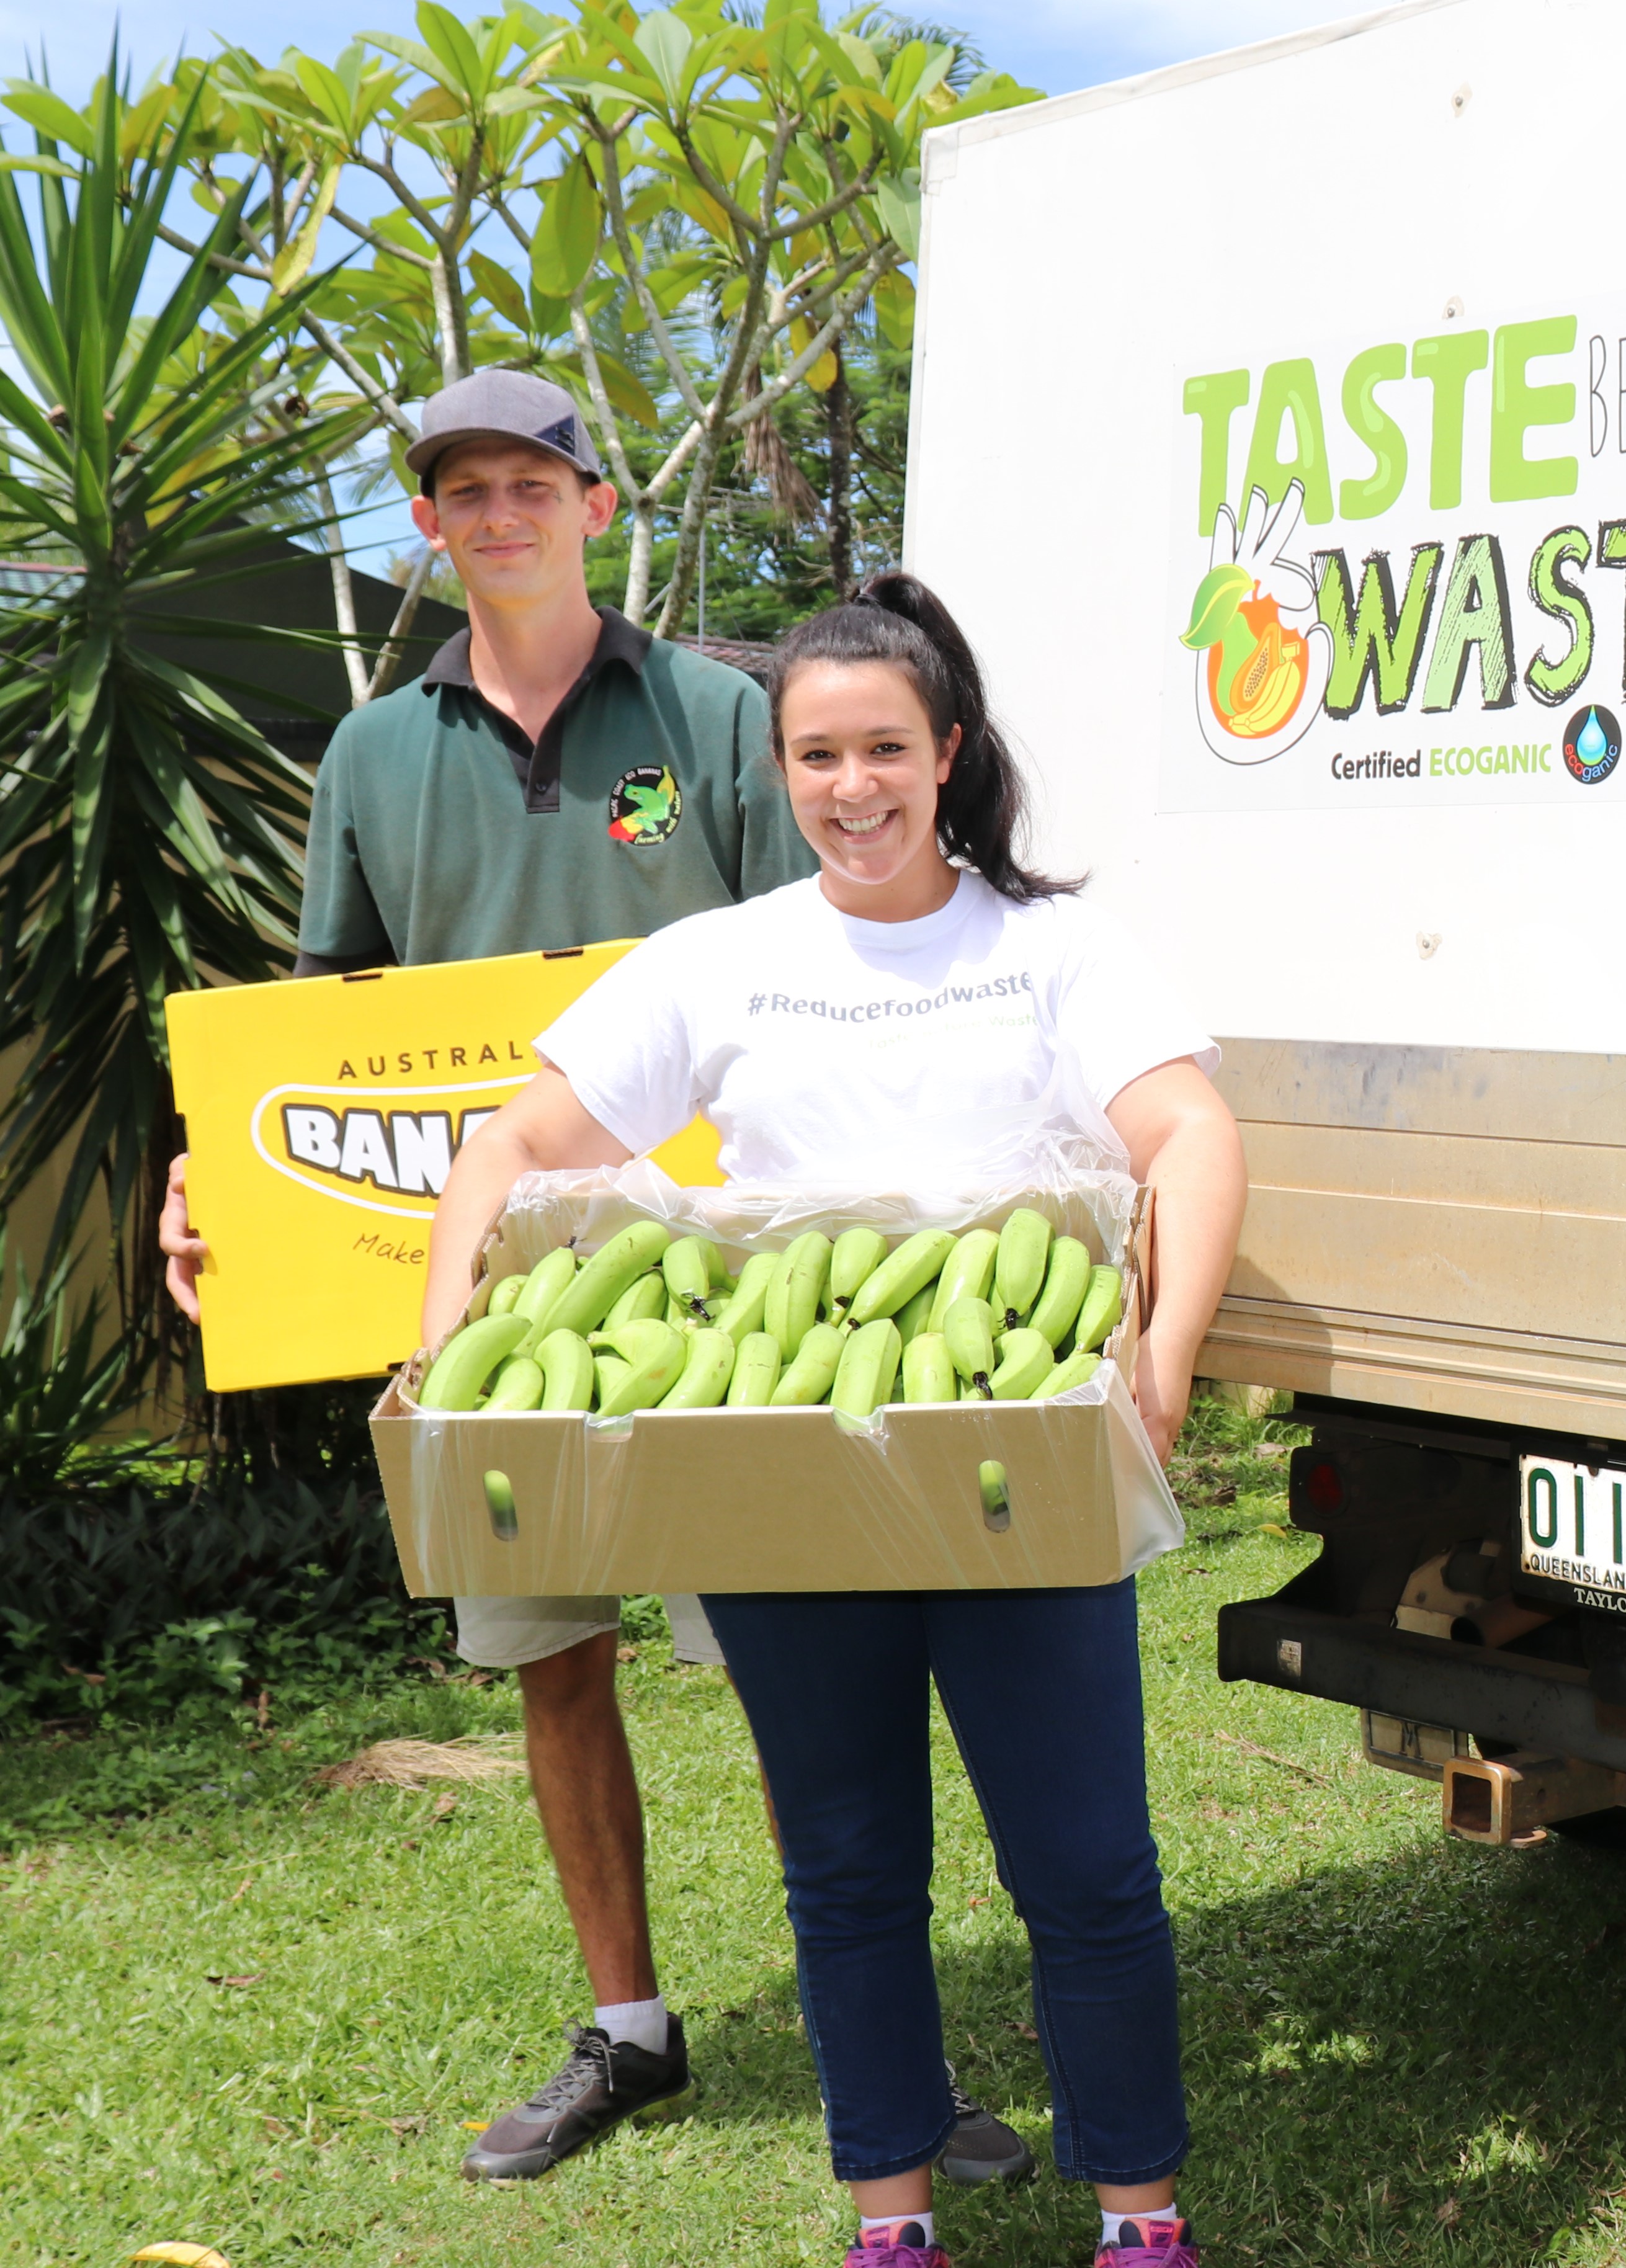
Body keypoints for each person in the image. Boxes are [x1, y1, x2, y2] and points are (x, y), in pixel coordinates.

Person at [156, 372, 1032, 2192]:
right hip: (499, 1300)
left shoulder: (712, 716)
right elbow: (316, 1030)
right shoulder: (373, 753)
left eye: (530, 485)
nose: (499, 516)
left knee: (804, 1673)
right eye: (462, 492)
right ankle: (627, 2032)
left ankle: (881, 2036)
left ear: (596, 504)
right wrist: (211, 1178)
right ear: (430, 525)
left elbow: (834, 938)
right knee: (553, 1654)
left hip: (728, 1285)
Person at [416, 572, 1246, 2268]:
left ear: (948, 753)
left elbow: (1190, 1136)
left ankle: (1138, 2218)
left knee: (1088, 1875)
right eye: (815, 755)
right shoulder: (720, 962)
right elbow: (509, 1151)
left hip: (1014, 1462)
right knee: (850, 1881)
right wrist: (445, 1382)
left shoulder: (1046, 948)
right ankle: (891, 2225)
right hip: (791, 1477)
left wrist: (1157, 1356)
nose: (851, 785)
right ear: (777, 773)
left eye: (883, 747)